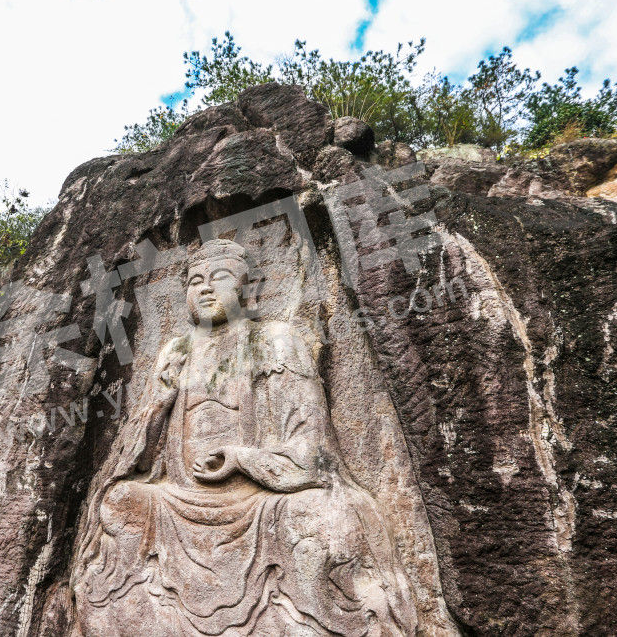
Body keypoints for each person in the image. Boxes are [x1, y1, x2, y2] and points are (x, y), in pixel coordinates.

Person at [73, 239, 422, 636]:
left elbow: (312, 445)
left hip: (259, 500)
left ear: (249, 288)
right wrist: (159, 401)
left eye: (218, 278)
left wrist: (241, 459)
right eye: (194, 281)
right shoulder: (175, 352)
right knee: (121, 502)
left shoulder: (275, 341)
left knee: (321, 515)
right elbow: (137, 455)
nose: (204, 288)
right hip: (179, 498)